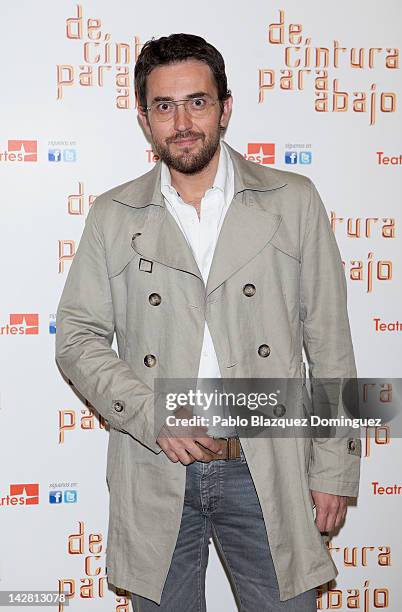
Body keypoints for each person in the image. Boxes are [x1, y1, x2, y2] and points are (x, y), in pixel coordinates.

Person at [55, 33, 361, 611]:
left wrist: (336, 467)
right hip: (154, 463)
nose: (183, 122)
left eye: (197, 101)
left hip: (269, 463)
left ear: (225, 106)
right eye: (164, 107)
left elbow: (330, 345)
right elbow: (76, 338)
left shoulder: (292, 200)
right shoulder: (112, 215)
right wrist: (152, 414)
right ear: (145, 118)